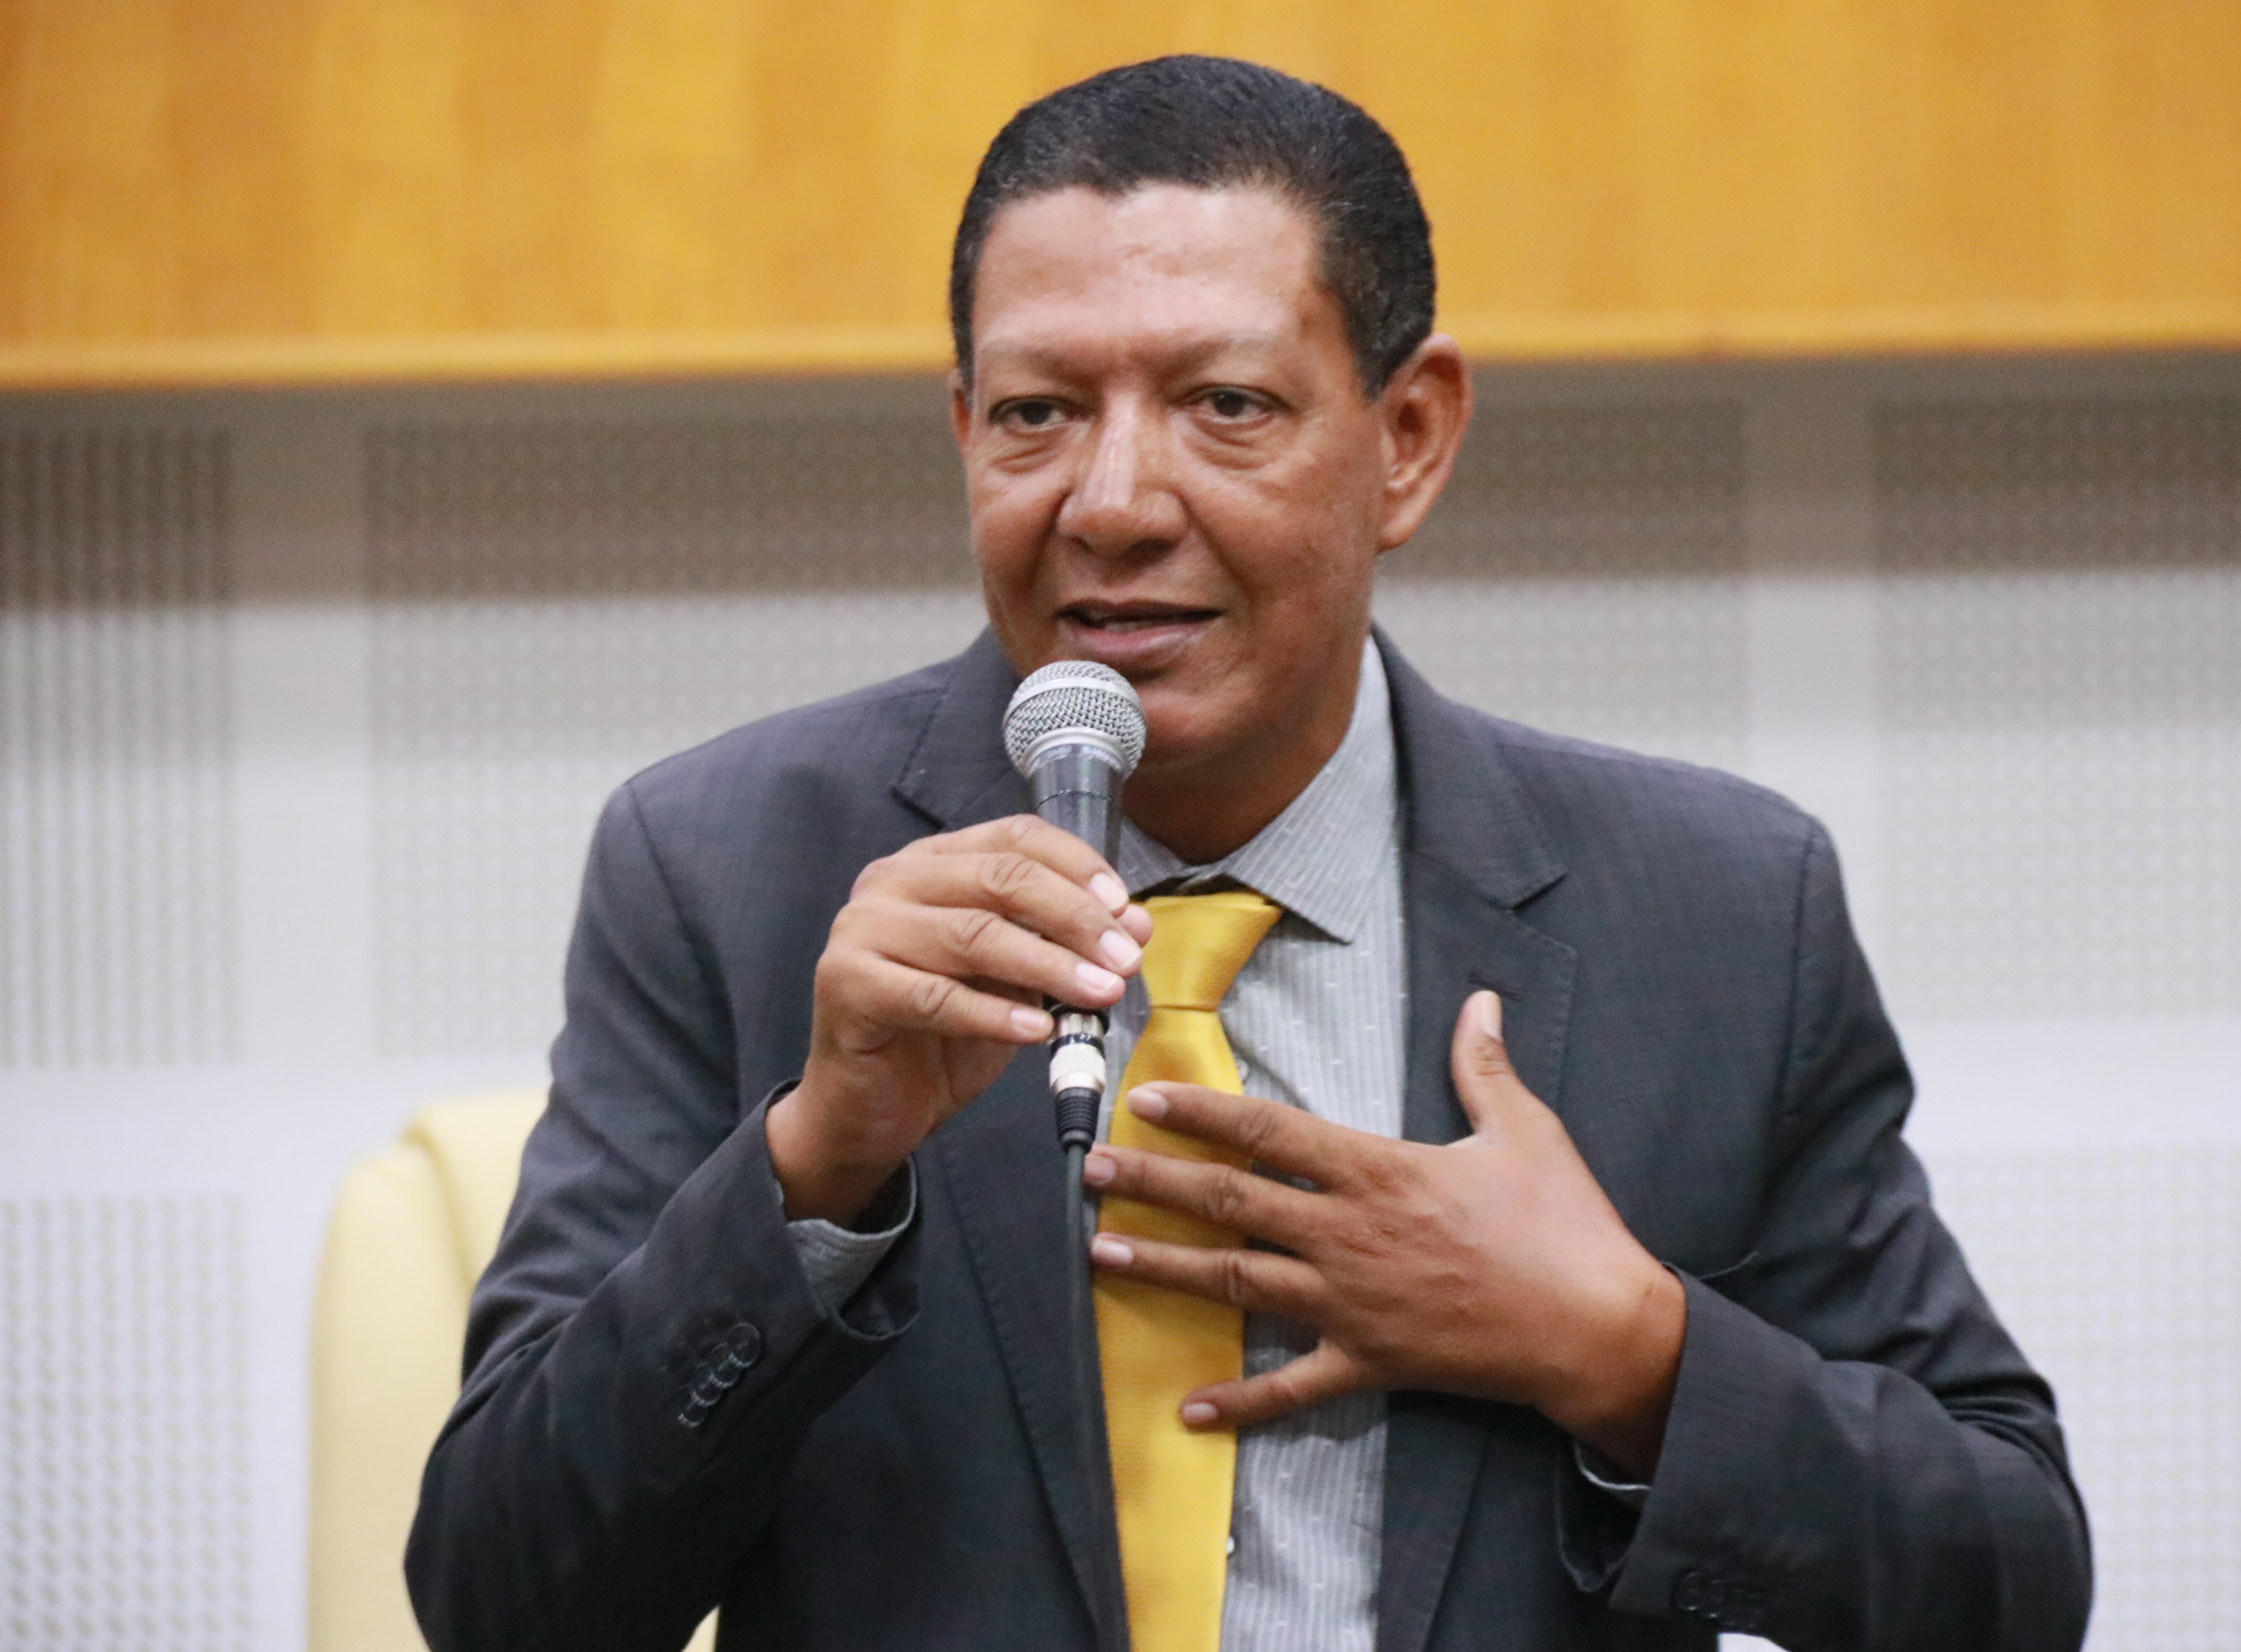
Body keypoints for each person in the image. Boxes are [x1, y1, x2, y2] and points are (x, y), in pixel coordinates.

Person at [410, 55, 2089, 1652]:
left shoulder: (1716, 907)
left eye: (1225, 404)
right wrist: (818, 1165)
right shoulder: (726, 869)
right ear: (964, 431)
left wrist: (1623, 1352)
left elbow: (2004, 1582)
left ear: (1408, 438)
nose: (1112, 501)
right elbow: (504, 1601)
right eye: (1037, 412)